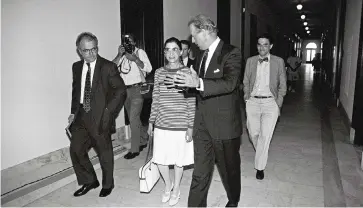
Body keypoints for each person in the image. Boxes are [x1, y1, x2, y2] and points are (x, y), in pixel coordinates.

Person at [174, 14, 243, 207]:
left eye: (194, 36)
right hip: (202, 124)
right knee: (200, 172)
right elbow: (199, 86)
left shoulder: (231, 52)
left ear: (204, 32)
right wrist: (185, 83)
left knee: (229, 170)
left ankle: (233, 200)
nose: (192, 40)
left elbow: (230, 83)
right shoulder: (202, 56)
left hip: (224, 125)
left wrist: (198, 82)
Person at [68, 32, 126, 197]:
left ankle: (108, 183)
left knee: (104, 151)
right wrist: (73, 112)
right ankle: (90, 181)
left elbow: (121, 91)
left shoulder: (108, 67)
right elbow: (76, 91)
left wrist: (109, 112)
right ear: (79, 51)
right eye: (87, 50)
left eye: (94, 49)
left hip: (101, 115)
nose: (92, 53)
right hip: (81, 115)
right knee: (76, 149)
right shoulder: (76, 67)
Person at [147, 37, 195, 206]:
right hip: (162, 122)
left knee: (178, 160)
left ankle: (176, 190)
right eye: (168, 49)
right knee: (160, 159)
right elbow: (156, 98)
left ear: (181, 52)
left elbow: (191, 101)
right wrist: (151, 122)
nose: (171, 53)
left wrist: (190, 126)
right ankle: (168, 185)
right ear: (164, 52)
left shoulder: (188, 72)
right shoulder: (159, 72)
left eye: (175, 49)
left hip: (180, 124)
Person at [243, 33, 287, 180]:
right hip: (253, 102)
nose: (262, 47)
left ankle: (260, 167)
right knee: (253, 133)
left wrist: (278, 103)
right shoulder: (250, 61)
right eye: (259, 44)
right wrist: (246, 98)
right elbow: (246, 81)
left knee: (265, 136)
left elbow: (283, 85)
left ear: (271, 46)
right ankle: (262, 152)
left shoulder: (278, 61)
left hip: (270, 103)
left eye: (265, 44)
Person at [112, 33, 152, 159]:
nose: (128, 44)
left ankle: (134, 149)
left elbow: (149, 68)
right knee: (133, 118)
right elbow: (111, 68)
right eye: (125, 42)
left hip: (137, 89)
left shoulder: (140, 52)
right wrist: (119, 54)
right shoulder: (122, 56)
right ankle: (144, 139)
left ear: (134, 42)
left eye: (130, 41)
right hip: (124, 90)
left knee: (134, 119)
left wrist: (135, 59)